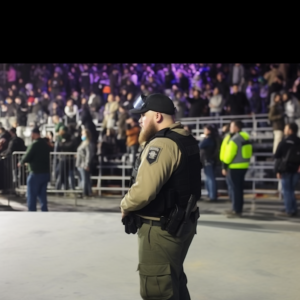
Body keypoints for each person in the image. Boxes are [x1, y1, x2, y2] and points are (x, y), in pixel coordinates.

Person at [120, 93, 201, 299]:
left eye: (143, 115)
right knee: (174, 281)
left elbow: (143, 192)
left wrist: (125, 205)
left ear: (157, 116)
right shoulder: (185, 138)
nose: (139, 120)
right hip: (182, 223)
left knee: (157, 290)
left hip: (160, 229)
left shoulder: (161, 144)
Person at [220, 120, 252, 218]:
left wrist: (224, 165)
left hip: (234, 167)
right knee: (238, 189)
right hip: (243, 166)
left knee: (235, 190)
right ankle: (237, 208)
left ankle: (236, 210)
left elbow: (230, 154)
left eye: (232, 126)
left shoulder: (235, 139)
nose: (230, 127)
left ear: (237, 127)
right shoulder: (245, 137)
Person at [18, 127, 51, 212]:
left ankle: (32, 211)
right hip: (45, 172)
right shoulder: (45, 144)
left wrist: (21, 162)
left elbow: (27, 156)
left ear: (34, 134)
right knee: (42, 195)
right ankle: (44, 211)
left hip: (35, 172)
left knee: (31, 194)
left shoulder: (34, 144)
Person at [274, 123, 300, 217]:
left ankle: (289, 210)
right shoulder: (298, 141)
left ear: (290, 130)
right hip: (297, 169)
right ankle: (292, 208)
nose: (284, 129)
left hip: (286, 169)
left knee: (287, 190)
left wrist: (277, 170)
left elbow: (277, 156)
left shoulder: (284, 142)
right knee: (291, 190)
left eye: (286, 128)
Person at [199, 125, 219, 202]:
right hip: (208, 160)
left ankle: (212, 196)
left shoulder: (209, 139)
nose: (204, 130)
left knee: (210, 178)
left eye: (205, 129)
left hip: (208, 160)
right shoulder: (211, 138)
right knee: (209, 178)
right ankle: (211, 195)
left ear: (209, 131)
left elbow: (200, 145)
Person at [76, 128, 93, 198]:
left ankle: (84, 192)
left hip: (83, 164)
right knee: (82, 179)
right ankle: (85, 191)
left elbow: (88, 155)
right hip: (79, 164)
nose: (82, 135)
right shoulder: (83, 143)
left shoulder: (88, 144)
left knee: (84, 179)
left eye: (83, 134)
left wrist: (87, 164)